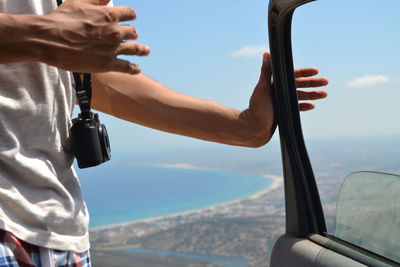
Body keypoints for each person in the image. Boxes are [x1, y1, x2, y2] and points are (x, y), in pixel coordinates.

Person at [0, 0, 328, 265]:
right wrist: (39, 34)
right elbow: (53, 40)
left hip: (56, 233)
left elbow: (91, 79)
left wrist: (246, 127)